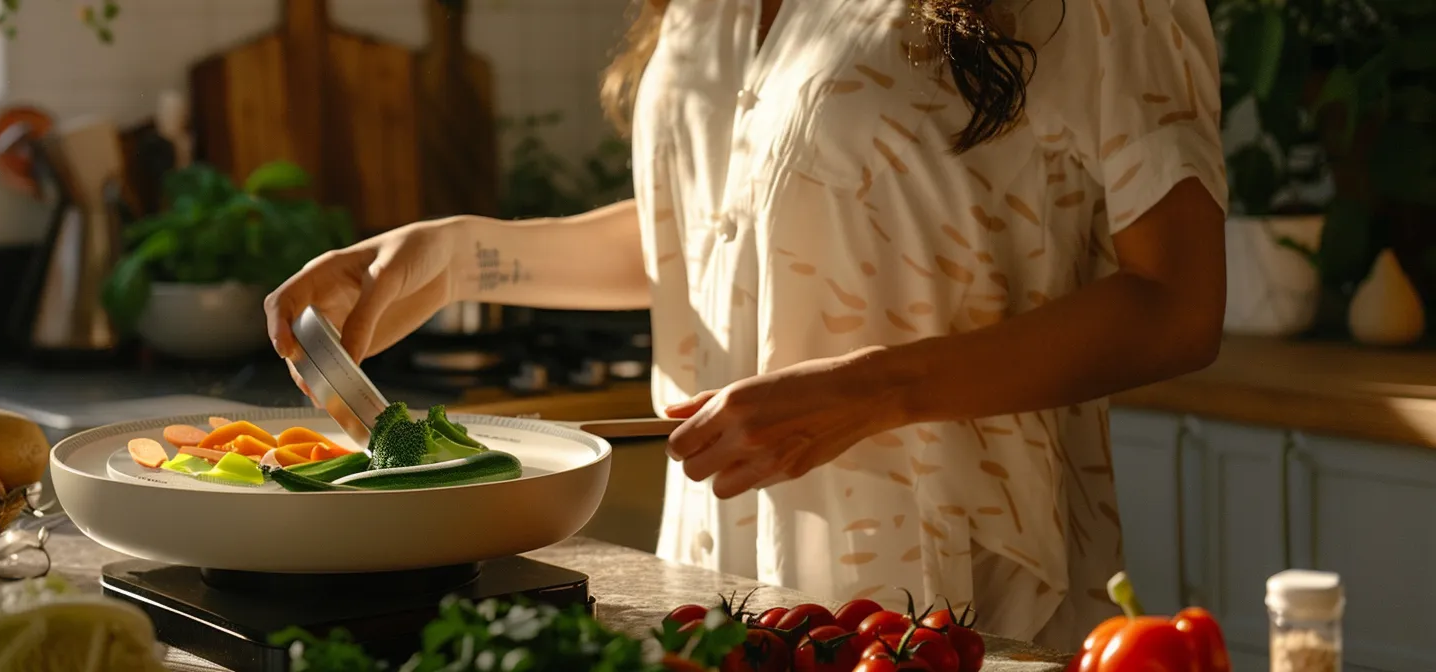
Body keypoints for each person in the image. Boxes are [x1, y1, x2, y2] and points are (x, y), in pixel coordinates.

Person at [264, 0, 1226, 649]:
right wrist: (463, 255)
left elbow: (1179, 304)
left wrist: (871, 388)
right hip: (719, 561)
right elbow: (724, 227)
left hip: (953, 581)